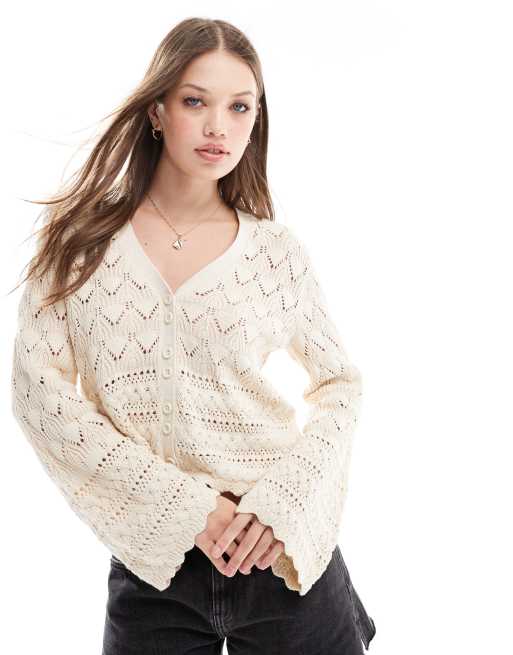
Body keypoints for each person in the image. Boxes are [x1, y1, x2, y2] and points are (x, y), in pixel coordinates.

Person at [10, 16, 376, 655]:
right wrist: (183, 506)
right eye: (195, 102)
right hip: (156, 567)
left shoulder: (276, 254)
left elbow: (340, 385)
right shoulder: (81, 247)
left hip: (283, 560)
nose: (218, 128)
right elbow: (38, 394)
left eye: (240, 107)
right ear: (157, 110)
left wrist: (284, 502)